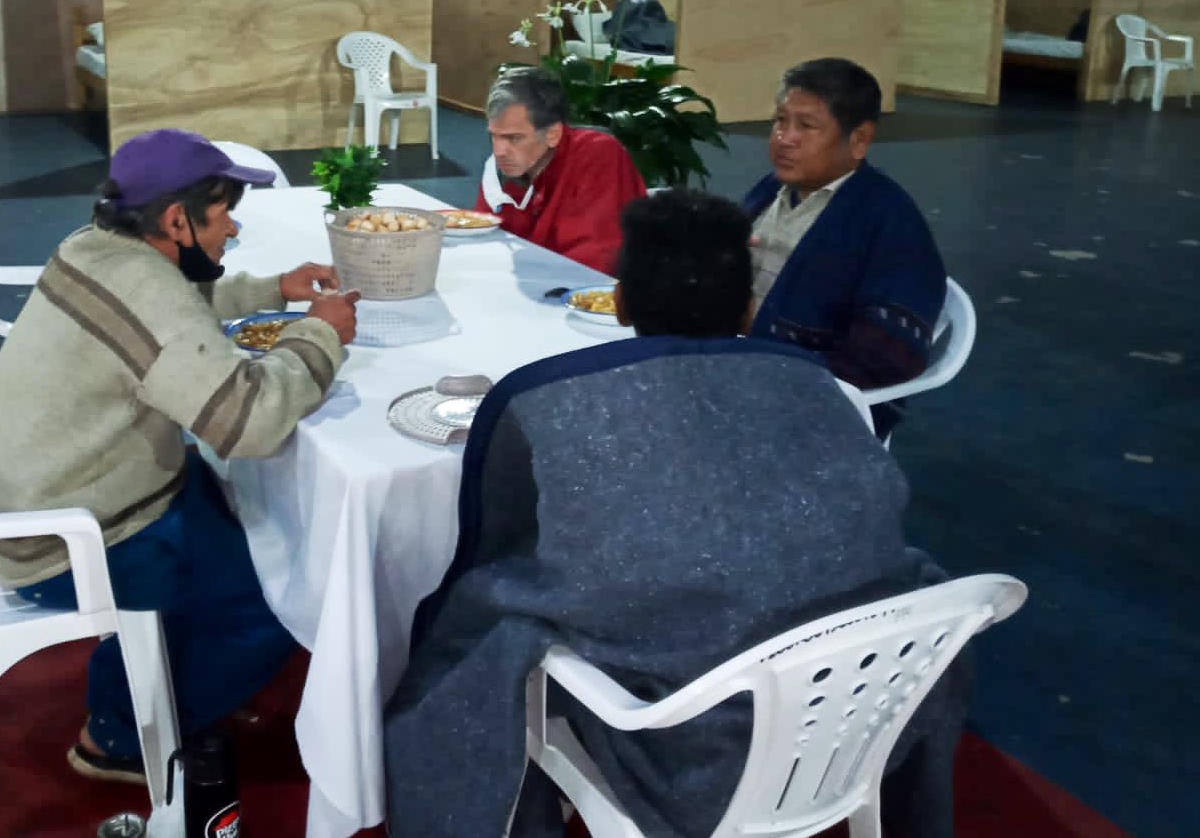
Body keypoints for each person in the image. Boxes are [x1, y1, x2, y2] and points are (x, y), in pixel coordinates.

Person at [385, 189, 963, 838]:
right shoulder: (825, 390)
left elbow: (495, 559)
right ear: (747, 307)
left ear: (622, 301)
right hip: (850, 722)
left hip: (676, 751)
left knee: (477, 629)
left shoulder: (541, 404)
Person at [0, 128, 360, 784]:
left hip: (45, 501)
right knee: (286, 591)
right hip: (75, 539)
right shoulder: (149, 291)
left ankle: (151, 677)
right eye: (222, 213)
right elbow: (249, 422)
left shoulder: (97, 248)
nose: (233, 227)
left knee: (248, 523)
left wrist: (274, 287)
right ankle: (120, 736)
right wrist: (320, 334)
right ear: (177, 220)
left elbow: (175, 306)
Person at [743, 58, 946, 421]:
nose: (784, 139)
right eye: (780, 120)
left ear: (859, 140)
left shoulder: (890, 222)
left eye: (806, 125)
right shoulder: (773, 188)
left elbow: (889, 356)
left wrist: (764, 345)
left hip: (809, 396)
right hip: (737, 358)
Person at [475, 66, 646, 274]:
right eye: (494, 136)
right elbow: (482, 235)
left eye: (514, 138)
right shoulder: (505, 167)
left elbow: (597, 258)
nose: (499, 150)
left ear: (553, 134)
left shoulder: (598, 155)